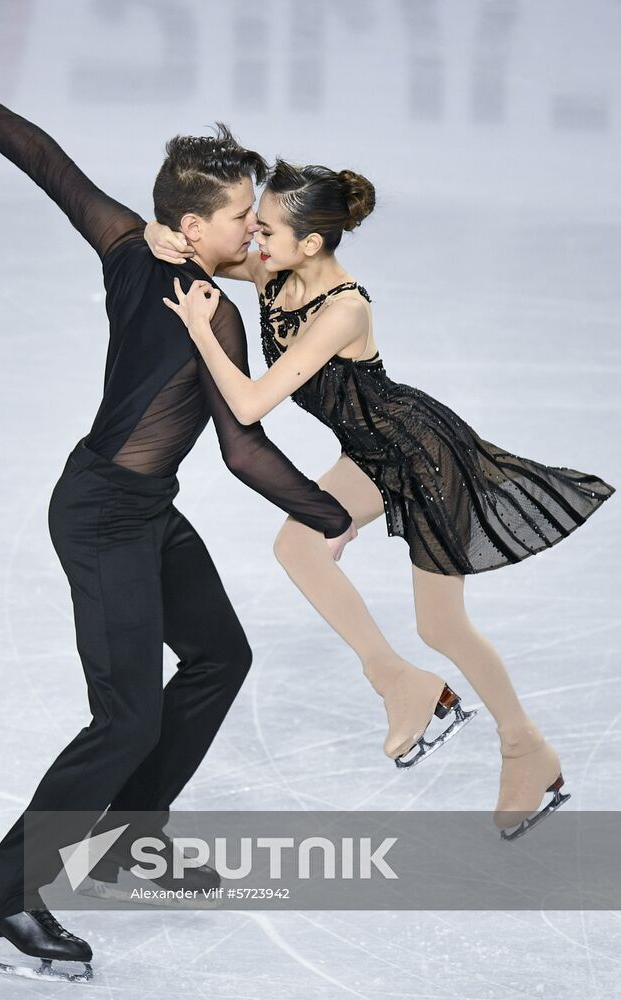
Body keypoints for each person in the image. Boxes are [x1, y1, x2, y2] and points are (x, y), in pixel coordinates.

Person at [0, 29, 361, 980]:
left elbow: (52, 168)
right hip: (104, 511)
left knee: (219, 656)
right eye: (240, 221)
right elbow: (240, 448)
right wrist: (330, 514)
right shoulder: (210, 311)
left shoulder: (126, 244)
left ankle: (133, 840)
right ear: (193, 229)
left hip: (139, 504)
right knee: (125, 719)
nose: (253, 234)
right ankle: (2, 902)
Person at [147, 157, 615, 842]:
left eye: (266, 228)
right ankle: (399, 681)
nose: (252, 234)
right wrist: (167, 237)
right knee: (297, 545)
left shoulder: (343, 309)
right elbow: (217, 260)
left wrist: (198, 331)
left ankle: (524, 748)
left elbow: (248, 404)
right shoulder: (276, 272)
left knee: (441, 627)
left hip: (421, 460)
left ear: (309, 243)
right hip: (368, 456)